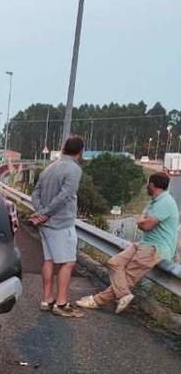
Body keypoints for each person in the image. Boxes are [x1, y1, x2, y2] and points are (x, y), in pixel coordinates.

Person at [77, 171, 179, 313]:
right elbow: (142, 221)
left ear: (152, 185)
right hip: (144, 243)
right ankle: (124, 295)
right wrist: (142, 221)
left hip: (155, 248)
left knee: (128, 277)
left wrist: (142, 221)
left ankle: (96, 300)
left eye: (147, 184)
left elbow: (145, 225)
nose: (146, 187)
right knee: (114, 263)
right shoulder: (154, 201)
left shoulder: (165, 202)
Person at [30, 135, 86, 317]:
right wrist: (46, 213)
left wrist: (40, 212)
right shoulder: (74, 169)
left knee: (49, 260)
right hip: (61, 223)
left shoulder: (50, 167)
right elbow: (65, 196)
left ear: (63, 149)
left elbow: (36, 192)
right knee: (68, 262)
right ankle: (61, 303)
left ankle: (47, 299)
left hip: (46, 224)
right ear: (80, 151)